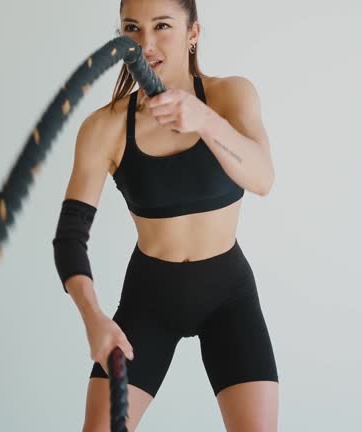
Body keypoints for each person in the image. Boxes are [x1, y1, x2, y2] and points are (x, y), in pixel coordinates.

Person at [52, 0, 278, 430]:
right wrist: (93, 319)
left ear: (193, 32)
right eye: (132, 28)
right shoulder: (105, 128)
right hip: (149, 300)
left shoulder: (232, 96)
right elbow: (69, 239)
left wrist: (204, 120)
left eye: (162, 26)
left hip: (229, 297)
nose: (146, 44)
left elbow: (263, 178)